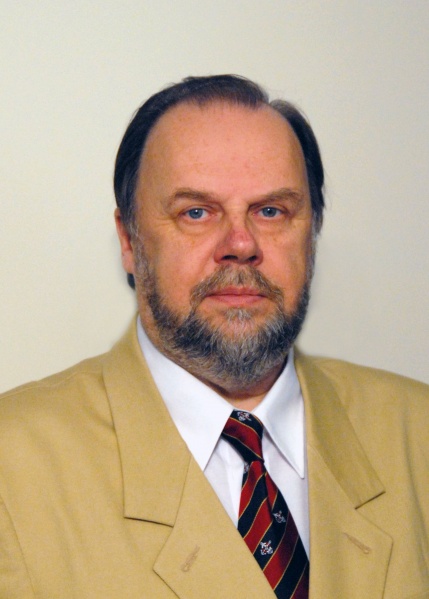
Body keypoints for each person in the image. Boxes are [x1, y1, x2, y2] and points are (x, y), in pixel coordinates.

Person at [0, 75, 428, 599]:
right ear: (129, 240)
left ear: (312, 233)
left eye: (271, 211)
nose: (241, 244)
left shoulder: (418, 434)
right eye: (196, 212)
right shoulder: (12, 468)